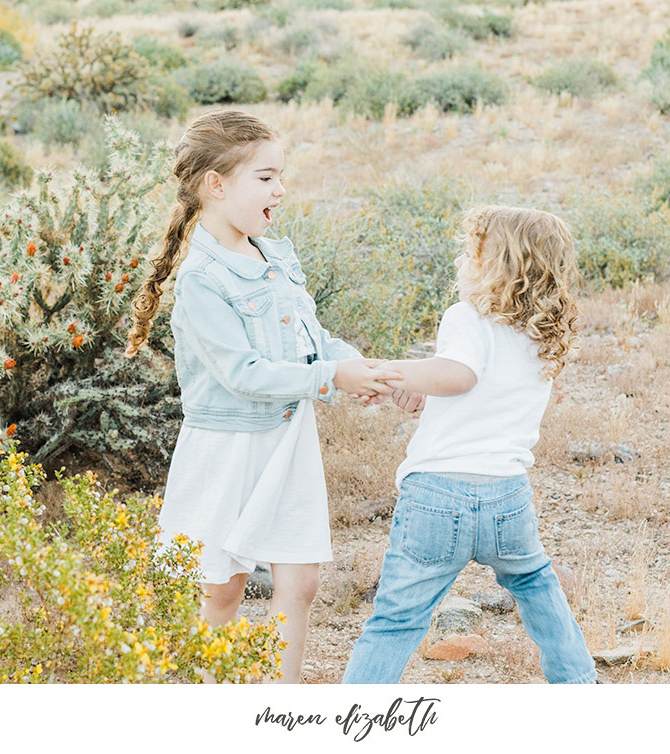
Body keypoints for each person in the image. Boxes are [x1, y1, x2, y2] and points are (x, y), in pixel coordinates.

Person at [125, 110, 400, 683]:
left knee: (300, 583)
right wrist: (329, 378)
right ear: (216, 186)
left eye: (281, 175)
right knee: (221, 589)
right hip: (226, 448)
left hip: (288, 439)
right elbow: (243, 373)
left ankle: (280, 708)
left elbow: (312, 339)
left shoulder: (276, 255)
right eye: (266, 177)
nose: (281, 189)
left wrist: (363, 371)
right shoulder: (202, 278)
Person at [342, 205, 597, 684]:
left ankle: (359, 710)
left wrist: (385, 371)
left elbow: (459, 376)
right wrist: (421, 392)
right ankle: (578, 683)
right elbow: (478, 393)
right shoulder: (540, 333)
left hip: (438, 497)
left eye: (469, 252)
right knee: (537, 586)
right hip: (507, 497)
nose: (461, 260)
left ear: (494, 264)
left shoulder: (467, 316)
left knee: (397, 619)